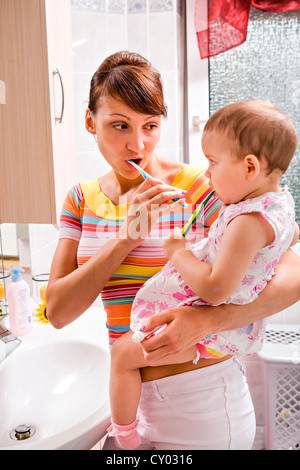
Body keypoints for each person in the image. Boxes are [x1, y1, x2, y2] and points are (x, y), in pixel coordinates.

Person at [45, 51, 300, 450]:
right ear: (90, 122)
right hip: (132, 396)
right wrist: (126, 237)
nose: (138, 143)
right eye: (119, 125)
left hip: (201, 396)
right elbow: (57, 312)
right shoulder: (80, 199)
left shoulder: (203, 185)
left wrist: (210, 321)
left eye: (150, 125)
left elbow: (292, 275)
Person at [107, 99, 299, 450]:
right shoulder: (276, 206)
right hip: (175, 397)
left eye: (212, 162)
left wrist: (178, 253)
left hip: (205, 381)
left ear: (251, 167)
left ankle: (124, 435)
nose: (207, 174)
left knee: (122, 355)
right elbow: (287, 242)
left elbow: (214, 289)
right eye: (119, 126)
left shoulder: (243, 218)